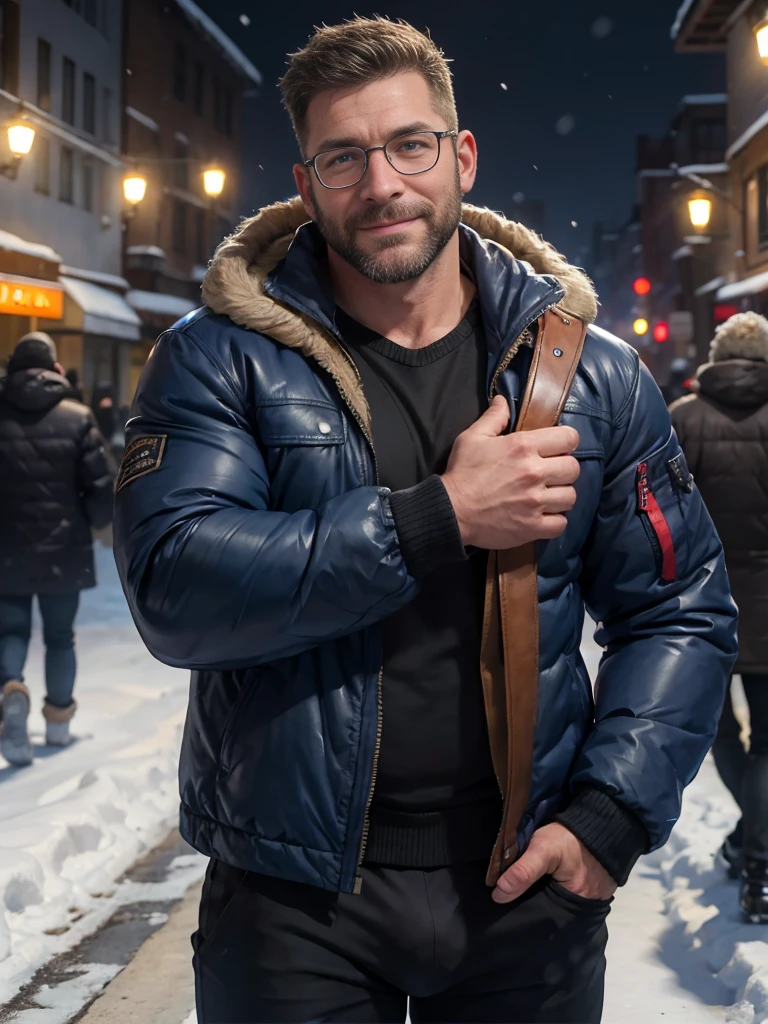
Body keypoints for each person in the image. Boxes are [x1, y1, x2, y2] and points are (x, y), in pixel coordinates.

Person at [113, 18, 737, 1024]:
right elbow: (177, 587)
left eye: (409, 145)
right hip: (291, 902)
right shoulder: (218, 359)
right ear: (306, 183)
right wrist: (437, 517)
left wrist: (610, 814)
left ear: (461, 157)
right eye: (344, 157)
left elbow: (680, 608)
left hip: (525, 888)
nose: (383, 184)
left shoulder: (594, 378)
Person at [671, 310, 768, 923]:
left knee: (719, 733)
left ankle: (753, 847)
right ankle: (757, 855)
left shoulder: (683, 419)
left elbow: (663, 517)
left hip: (702, 601)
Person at [0, 333, 114, 766]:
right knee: (59, 637)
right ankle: (57, 725)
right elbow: (101, 486)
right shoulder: (78, 416)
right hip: (64, 547)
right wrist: (90, 523)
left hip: (5, 546)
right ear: (56, 370)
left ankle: (11, 688)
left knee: (10, 631)